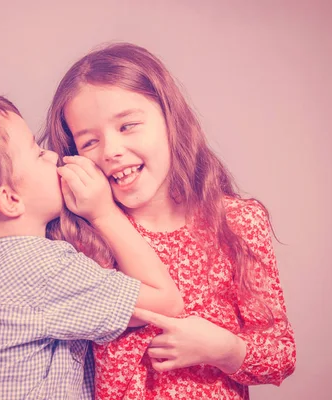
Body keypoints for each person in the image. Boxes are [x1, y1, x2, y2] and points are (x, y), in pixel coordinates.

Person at [0, 86, 183, 399]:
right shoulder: (39, 267)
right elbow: (166, 303)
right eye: (38, 152)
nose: (54, 156)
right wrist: (104, 213)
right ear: (11, 199)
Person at [42, 42, 296, 399]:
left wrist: (224, 349)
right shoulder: (81, 237)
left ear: (170, 120)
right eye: (89, 142)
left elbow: (282, 355)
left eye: (128, 126)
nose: (111, 150)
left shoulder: (236, 222)